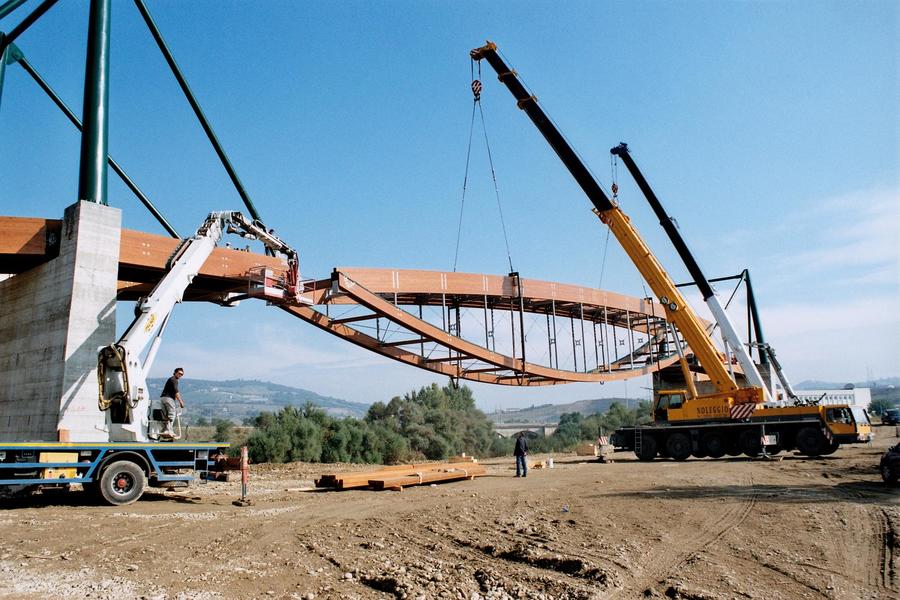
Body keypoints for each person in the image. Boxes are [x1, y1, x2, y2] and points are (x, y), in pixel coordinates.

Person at [160, 367, 185, 438]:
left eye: (182, 374)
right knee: (172, 414)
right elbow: (176, 392)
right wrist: (181, 402)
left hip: (163, 398)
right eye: (179, 373)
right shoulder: (174, 380)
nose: (180, 375)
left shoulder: (170, 379)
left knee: (165, 416)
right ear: (175, 372)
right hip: (168, 398)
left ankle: (164, 430)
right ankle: (169, 430)